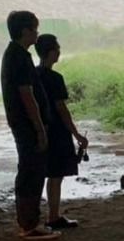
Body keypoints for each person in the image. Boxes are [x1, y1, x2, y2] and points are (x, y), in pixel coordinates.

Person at [0, 11, 59, 241]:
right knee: (31, 172)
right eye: (34, 29)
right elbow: (27, 96)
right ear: (25, 31)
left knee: (29, 170)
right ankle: (30, 225)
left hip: (23, 124)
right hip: (27, 125)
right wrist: (39, 128)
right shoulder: (19, 57)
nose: (37, 33)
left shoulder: (15, 54)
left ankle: (28, 222)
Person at [34, 34, 89, 229]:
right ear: (49, 52)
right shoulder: (55, 78)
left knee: (44, 174)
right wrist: (76, 134)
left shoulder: (32, 75)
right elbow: (61, 109)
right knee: (56, 176)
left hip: (37, 128)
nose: (59, 52)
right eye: (57, 49)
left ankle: (45, 216)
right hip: (56, 131)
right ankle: (53, 217)